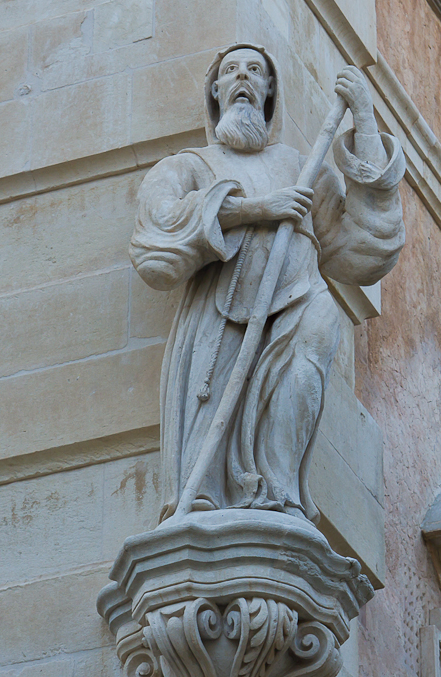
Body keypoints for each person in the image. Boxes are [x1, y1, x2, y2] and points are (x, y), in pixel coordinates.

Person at [130, 45, 405, 520]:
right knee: (203, 484)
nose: (242, 77)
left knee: (304, 371)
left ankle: (279, 496)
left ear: (269, 90)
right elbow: (155, 238)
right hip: (223, 318)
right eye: (230, 71)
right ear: (215, 91)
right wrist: (257, 210)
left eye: (254, 70)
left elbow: (365, 248)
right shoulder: (190, 165)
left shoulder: (303, 167)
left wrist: (363, 121)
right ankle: (208, 502)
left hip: (300, 302)